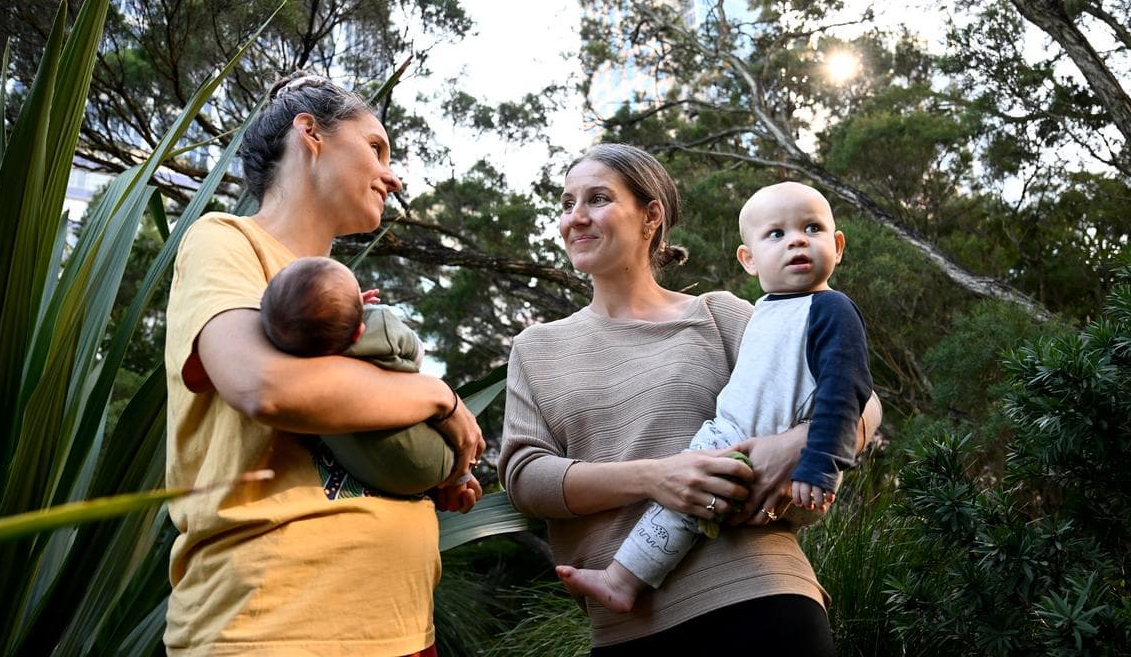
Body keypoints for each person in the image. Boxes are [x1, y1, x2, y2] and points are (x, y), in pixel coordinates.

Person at [498, 143, 881, 655]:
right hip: (631, 624)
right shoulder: (537, 348)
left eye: (597, 199)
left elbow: (862, 401)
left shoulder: (720, 315)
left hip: (762, 595)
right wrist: (658, 476)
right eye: (568, 203)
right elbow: (526, 479)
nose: (576, 218)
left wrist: (793, 444)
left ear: (651, 215)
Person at [164, 70, 484, 656]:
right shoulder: (227, 240)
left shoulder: (347, 305)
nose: (393, 174)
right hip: (279, 625)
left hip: (400, 625)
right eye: (376, 147)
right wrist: (442, 399)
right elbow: (263, 384)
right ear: (310, 133)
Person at [556, 181, 872, 614]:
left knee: (687, 496)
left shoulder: (830, 308)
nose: (797, 239)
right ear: (748, 259)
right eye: (775, 234)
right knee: (690, 497)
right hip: (737, 442)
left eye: (812, 228)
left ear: (837, 246)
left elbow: (849, 390)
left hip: (779, 463)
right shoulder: (765, 310)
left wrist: (816, 461)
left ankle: (621, 580)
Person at [259, 255, 457, 495]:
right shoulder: (379, 323)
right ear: (358, 333)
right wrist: (366, 313)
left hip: (374, 475)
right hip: (435, 458)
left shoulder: (298, 373)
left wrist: (344, 314)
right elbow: (416, 353)